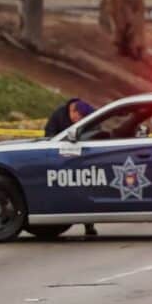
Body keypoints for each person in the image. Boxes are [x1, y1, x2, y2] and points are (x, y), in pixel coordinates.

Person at [44, 98, 97, 236]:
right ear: (72, 110)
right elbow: (49, 136)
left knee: (85, 191)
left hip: (82, 160)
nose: (79, 120)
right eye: (78, 116)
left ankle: (89, 224)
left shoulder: (88, 113)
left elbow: (96, 131)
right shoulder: (58, 115)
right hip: (60, 161)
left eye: (83, 117)